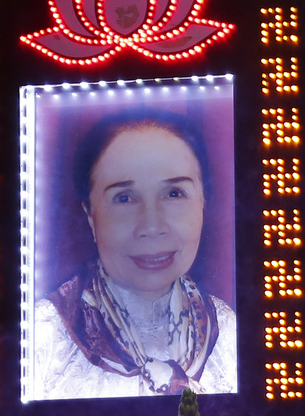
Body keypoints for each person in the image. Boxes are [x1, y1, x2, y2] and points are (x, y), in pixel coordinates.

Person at [30, 109, 237, 399]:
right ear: (90, 214)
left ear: (202, 202)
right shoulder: (45, 335)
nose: (151, 226)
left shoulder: (226, 330)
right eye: (124, 198)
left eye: (174, 193)